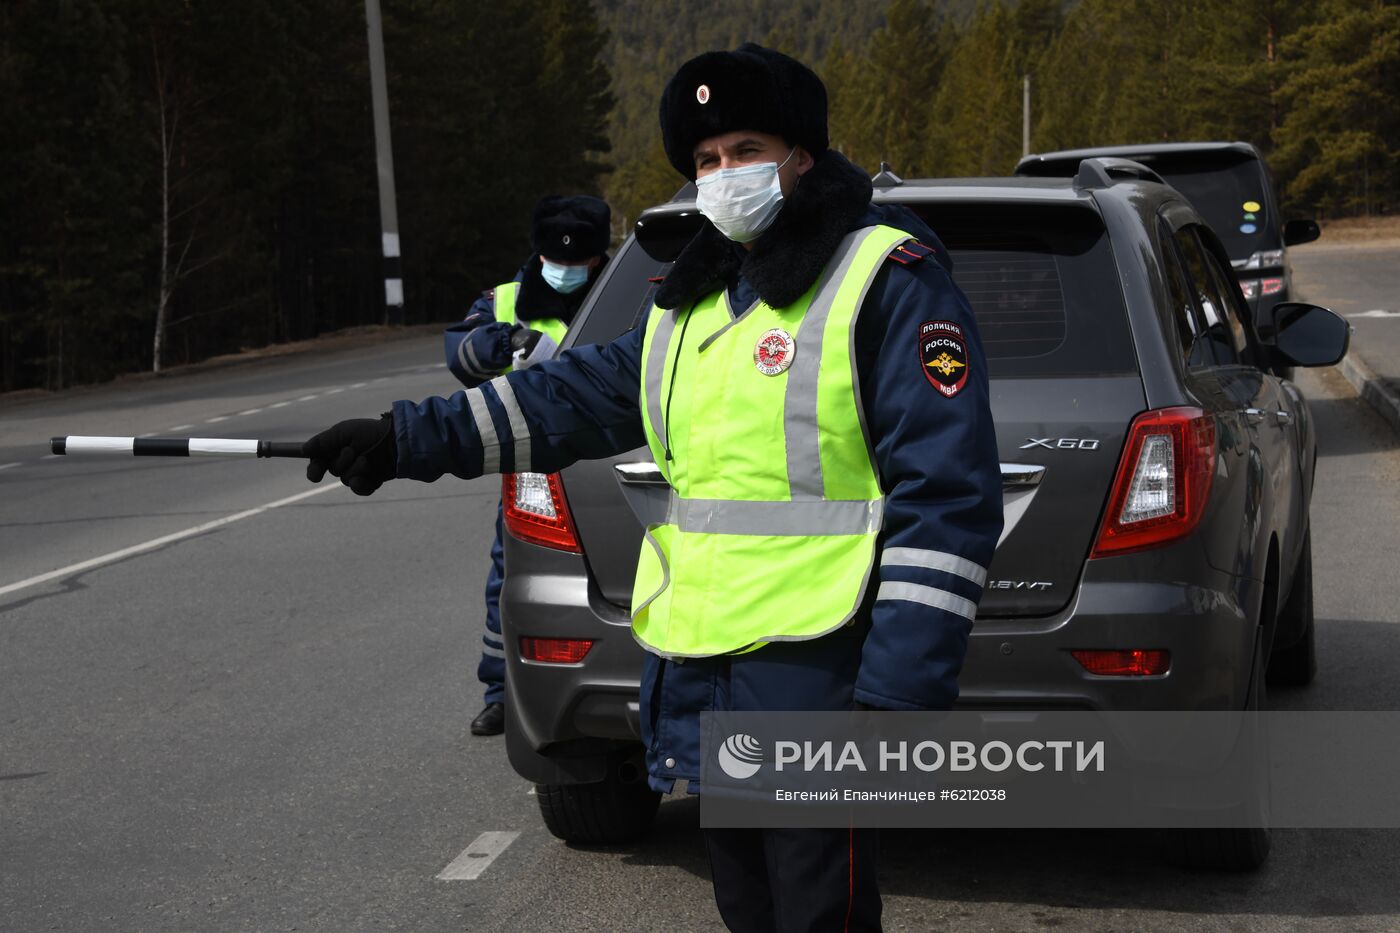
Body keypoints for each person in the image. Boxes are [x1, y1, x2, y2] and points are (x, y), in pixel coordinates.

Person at [304, 44, 1002, 933]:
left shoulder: (883, 279)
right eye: (706, 161)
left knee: (820, 909)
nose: (723, 175)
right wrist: (402, 437)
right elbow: (565, 399)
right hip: (707, 664)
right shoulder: (693, 306)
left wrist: (900, 692)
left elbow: (947, 495)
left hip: (819, 667)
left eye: (746, 149)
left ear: (803, 156)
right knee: (748, 904)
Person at [442, 194, 611, 736]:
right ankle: (503, 693)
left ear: (598, 257)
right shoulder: (506, 299)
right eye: (554, 259)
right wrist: (505, 341)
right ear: (537, 253)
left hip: (613, 457)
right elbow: (459, 352)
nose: (563, 270)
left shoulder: (623, 292)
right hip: (534, 463)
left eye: (577, 261)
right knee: (517, 578)